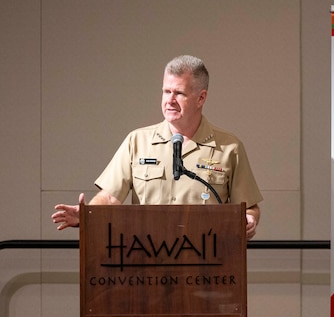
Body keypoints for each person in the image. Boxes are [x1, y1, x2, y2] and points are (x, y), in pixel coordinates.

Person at [52, 55, 262, 240]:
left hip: (207, 265)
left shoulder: (229, 147)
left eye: (179, 93)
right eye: (166, 91)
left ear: (201, 98)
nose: (169, 100)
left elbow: (249, 207)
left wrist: (249, 220)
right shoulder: (137, 141)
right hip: (147, 264)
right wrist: (88, 215)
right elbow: (109, 197)